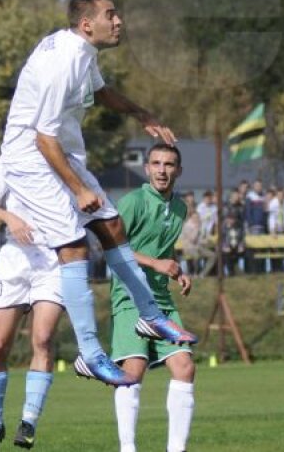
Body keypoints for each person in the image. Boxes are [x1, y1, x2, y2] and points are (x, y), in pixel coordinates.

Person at [0, 0, 196, 388]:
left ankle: (151, 316)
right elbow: (42, 138)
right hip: (32, 160)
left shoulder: (82, 53)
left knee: (113, 227)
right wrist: (79, 190)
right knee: (73, 247)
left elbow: (100, 93)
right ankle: (90, 354)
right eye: (111, 15)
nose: (119, 20)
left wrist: (140, 112)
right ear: (87, 25)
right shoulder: (63, 63)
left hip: (61, 154)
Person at [0, 160, 65, 452]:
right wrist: (10, 218)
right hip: (14, 258)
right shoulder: (11, 157)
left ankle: (28, 421)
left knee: (43, 338)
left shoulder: (65, 155)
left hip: (52, 260)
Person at [110, 143, 196, 452]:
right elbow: (112, 249)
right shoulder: (132, 202)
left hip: (161, 298)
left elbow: (164, 249)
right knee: (132, 372)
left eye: (169, 164)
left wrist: (177, 270)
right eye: (156, 163)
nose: (162, 170)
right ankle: (128, 448)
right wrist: (155, 262)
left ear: (179, 171)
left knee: (185, 367)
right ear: (147, 169)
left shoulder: (180, 207)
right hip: (130, 295)